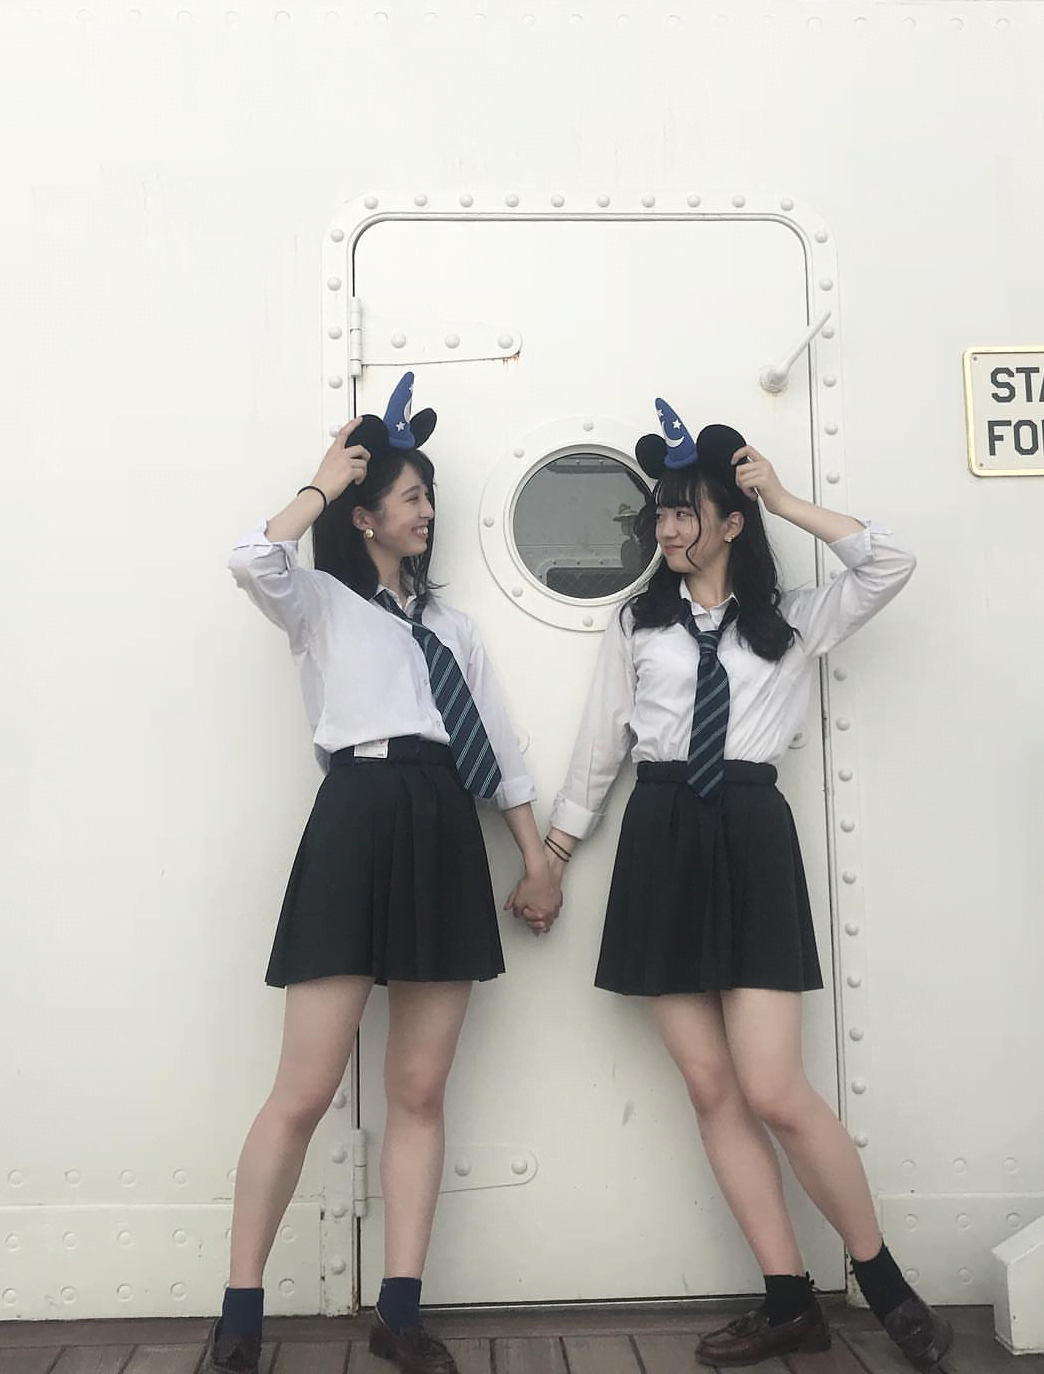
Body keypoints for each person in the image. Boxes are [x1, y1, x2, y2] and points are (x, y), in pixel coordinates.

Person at [536, 399, 951, 1370]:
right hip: (661, 832)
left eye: (685, 512)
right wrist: (552, 856)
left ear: (730, 521)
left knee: (775, 1088)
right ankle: (788, 1300)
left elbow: (890, 562)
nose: (667, 529)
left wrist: (786, 500)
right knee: (711, 1086)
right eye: (660, 513)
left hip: (752, 834)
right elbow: (600, 748)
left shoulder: (793, 620)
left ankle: (886, 1285)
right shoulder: (637, 623)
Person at [213, 374, 560, 1374]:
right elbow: (250, 556)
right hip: (357, 820)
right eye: (412, 496)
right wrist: (324, 482)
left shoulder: (453, 629)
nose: (428, 511)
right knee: (302, 1091)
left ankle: (399, 1314)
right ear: (365, 515)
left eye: (430, 497)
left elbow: (500, 747)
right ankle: (240, 1316)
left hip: (444, 824)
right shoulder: (319, 602)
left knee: (418, 1090)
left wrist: (535, 857)